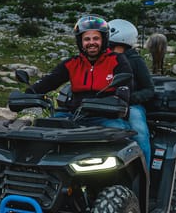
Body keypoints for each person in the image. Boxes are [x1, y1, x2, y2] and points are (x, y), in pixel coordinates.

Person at [26, 14, 133, 130]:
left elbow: (126, 86)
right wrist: (28, 94)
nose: (91, 42)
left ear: (104, 40)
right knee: (45, 128)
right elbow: (49, 81)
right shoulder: (72, 63)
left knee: (118, 132)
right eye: (87, 39)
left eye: (96, 38)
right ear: (80, 42)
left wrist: (120, 96)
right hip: (73, 115)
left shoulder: (117, 60)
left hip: (105, 117)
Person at [108, 18, 154, 167]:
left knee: (139, 132)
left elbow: (149, 89)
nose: (108, 48)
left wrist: (129, 99)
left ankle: (145, 175)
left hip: (131, 105)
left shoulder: (135, 61)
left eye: (112, 46)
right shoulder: (102, 59)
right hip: (102, 104)